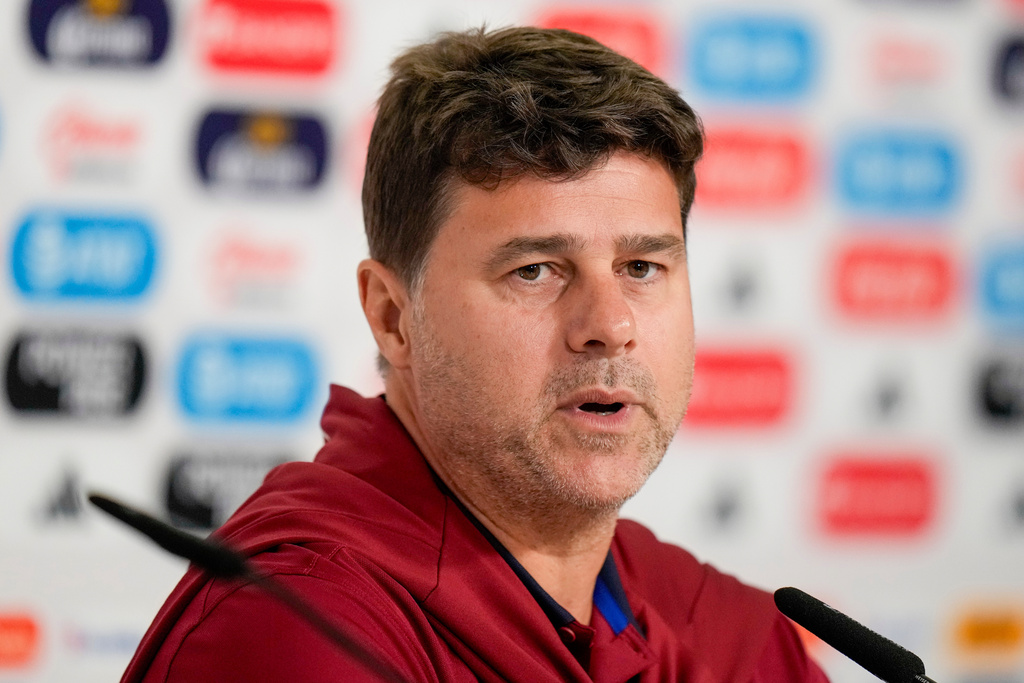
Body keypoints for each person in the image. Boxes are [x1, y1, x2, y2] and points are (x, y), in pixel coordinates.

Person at [122, 26, 829, 682]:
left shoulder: (735, 639)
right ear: (393, 317)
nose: (610, 326)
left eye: (642, 267)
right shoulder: (298, 626)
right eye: (535, 270)